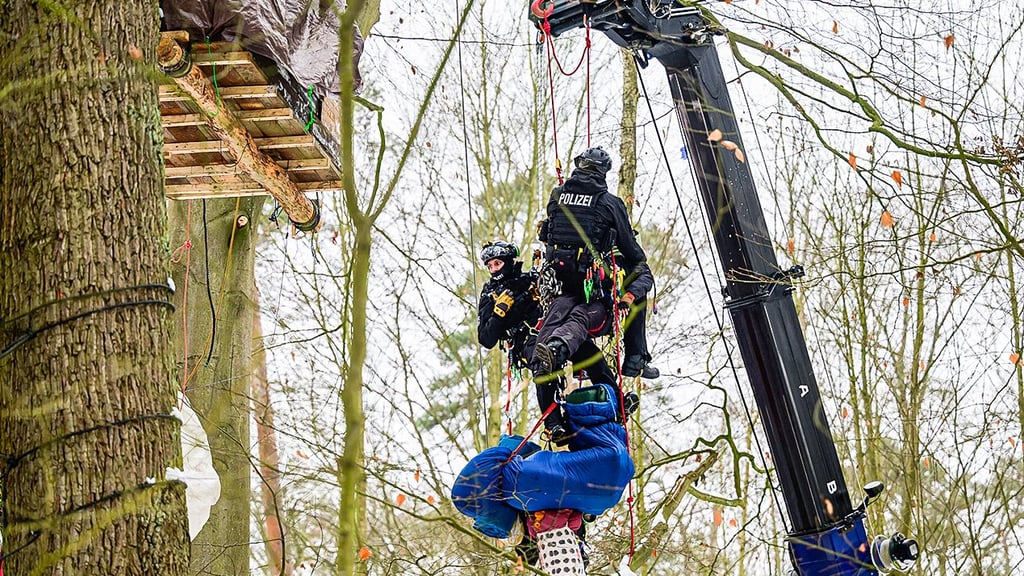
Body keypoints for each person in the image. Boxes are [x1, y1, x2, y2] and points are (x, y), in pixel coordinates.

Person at [477, 240, 623, 444]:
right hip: (524, 340)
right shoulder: (489, 296)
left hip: (554, 329)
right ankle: (554, 423)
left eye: (498, 264)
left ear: (509, 261)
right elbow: (486, 338)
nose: (494, 270)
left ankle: (616, 399)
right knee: (542, 363)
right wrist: (498, 313)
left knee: (588, 352)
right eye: (490, 266)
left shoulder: (531, 280)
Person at [533, 146, 658, 383]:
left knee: (560, 314)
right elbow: (632, 251)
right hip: (591, 282)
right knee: (641, 272)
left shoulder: (557, 195)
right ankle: (635, 359)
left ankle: (548, 359)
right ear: (603, 172)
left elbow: (549, 235)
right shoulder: (609, 203)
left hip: (560, 280)